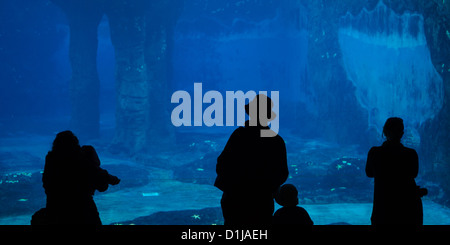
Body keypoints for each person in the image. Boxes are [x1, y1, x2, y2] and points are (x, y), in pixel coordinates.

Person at [214, 94, 289, 225]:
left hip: (234, 200)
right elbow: (282, 174)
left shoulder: (238, 136)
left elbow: (221, 165)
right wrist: (266, 187)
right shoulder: (276, 141)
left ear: (251, 114)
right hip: (261, 201)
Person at [32, 130, 120, 225]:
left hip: (56, 206)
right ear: (75, 143)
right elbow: (99, 175)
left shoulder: (51, 158)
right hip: (82, 208)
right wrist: (112, 179)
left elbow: (46, 183)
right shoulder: (79, 158)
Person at [366, 117, 427, 225]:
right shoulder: (411, 154)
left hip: (383, 209)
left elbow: (369, 173)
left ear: (384, 132)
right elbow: (414, 174)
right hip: (408, 208)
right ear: (402, 133)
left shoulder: (374, 152)